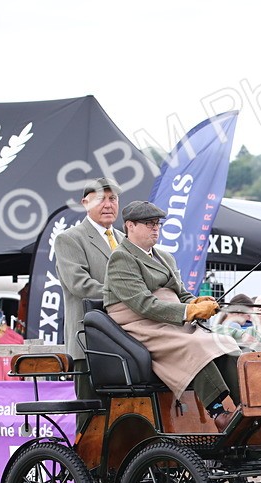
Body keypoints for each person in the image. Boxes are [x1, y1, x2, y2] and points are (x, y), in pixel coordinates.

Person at [103, 201, 241, 430]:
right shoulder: (121, 258)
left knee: (224, 343)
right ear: (130, 226)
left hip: (170, 321)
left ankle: (245, 404)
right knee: (194, 346)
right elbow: (144, 304)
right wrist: (189, 311)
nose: (155, 228)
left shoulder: (165, 257)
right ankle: (218, 413)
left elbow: (181, 294)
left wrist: (198, 303)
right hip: (140, 326)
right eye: (148, 224)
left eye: (157, 223)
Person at [54, 177, 123, 361]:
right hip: (88, 344)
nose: (108, 205)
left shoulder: (125, 241)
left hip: (126, 344)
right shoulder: (69, 239)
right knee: (89, 392)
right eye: (101, 199)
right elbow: (81, 285)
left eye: (113, 198)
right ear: (85, 203)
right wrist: (129, 296)